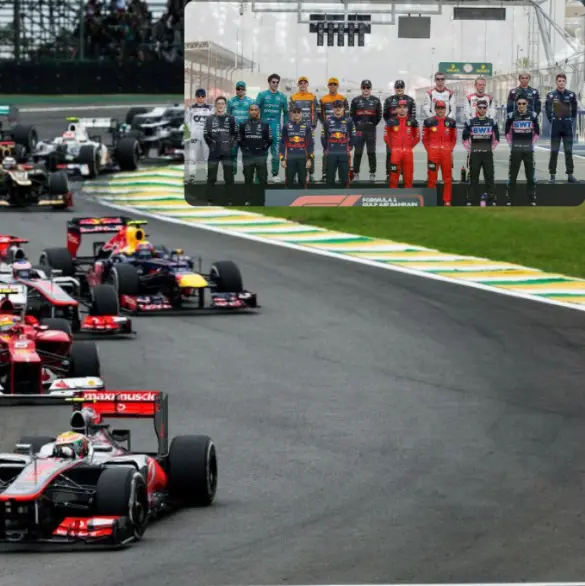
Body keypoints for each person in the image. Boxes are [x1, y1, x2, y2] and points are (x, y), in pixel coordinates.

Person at [462, 99, 500, 206]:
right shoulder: (470, 122)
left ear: (487, 109)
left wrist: (490, 148)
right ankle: (469, 200)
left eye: (484, 108)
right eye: (480, 108)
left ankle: (491, 199)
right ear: (476, 108)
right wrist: (470, 150)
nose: (482, 110)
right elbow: (464, 139)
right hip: (475, 154)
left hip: (487, 154)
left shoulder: (492, 122)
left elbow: (496, 139)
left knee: (489, 177)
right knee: (473, 178)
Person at [505, 96, 540, 206]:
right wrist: (511, 144)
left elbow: (537, 133)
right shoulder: (511, 116)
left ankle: (531, 198)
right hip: (516, 150)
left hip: (528, 150)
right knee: (512, 175)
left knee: (530, 175)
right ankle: (510, 198)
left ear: (527, 104)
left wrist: (531, 144)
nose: (521, 106)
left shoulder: (533, 116)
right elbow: (507, 133)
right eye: (519, 104)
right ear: (516, 104)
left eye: (523, 103)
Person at [423, 100, 458, 206]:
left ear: (445, 109)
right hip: (433, 154)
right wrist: (430, 150)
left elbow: (454, 138)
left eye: (442, 108)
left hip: (446, 154)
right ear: (435, 109)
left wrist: (449, 149)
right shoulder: (428, 121)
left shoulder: (451, 122)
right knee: (431, 177)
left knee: (447, 178)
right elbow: (425, 139)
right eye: (438, 108)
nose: (440, 110)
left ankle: (447, 201)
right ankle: (430, 201)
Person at [546, 72, 578, 183]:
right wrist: (554, 121)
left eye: (563, 81)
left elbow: (574, 111)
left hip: (567, 126)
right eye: (559, 81)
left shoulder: (571, 95)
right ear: (556, 82)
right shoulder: (551, 95)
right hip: (556, 126)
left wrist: (569, 120)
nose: (561, 83)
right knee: (554, 151)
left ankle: (570, 175)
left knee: (568, 150)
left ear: (566, 82)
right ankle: (552, 175)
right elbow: (548, 110)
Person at [204, 96, 238, 202]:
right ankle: (209, 199)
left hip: (227, 152)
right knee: (211, 177)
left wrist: (230, 145)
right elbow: (206, 134)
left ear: (225, 105)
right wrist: (212, 146)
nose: (220, 105)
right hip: (214, 152)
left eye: (222, 104)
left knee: (228, 177)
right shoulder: (209, 118)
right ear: (215, 105)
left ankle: (230, 198)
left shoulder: (231, 118)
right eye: (218, 103)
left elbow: (235, 134)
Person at [256, 74, 288, 183]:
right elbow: (255, 110)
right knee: (262, 153)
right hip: (263, 129)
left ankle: (275, 174)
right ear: (269, 82)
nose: (275, 84)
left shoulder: (282, 97)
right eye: (273, 82)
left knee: (276, 153)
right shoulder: (262, 95)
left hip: (276, 128)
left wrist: (286, 127)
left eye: (277, 82)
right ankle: (261, 175)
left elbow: (286, 113)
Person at [383, 80, 417, 181]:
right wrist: (392, 125)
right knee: (390, 153)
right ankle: (389, 173)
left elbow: (413, 117)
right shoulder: (388, 100)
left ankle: (403, 173)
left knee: (405, 152)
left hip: (406, 131)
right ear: (394, 88)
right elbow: (385, 115)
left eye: (401, 87)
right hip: (393, 131)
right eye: (397, 87)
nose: (399, 89)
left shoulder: (410, 100)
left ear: (404, 88)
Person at [318, 78, 349, 182]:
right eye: (330, 84)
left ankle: (343, 175)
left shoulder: (343, 98)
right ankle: (325, 173)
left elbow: (347, 114)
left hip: (341, 127)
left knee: (343, 151)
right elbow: (319, 114)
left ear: (337, 86)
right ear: (328, 86)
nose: (332, 86)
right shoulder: (323, 99)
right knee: (326, 150)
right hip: (328, 128)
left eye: (334, 84)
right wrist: (325, 124)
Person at [384, 99, 420, 188]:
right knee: (393, 177)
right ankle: (393, 196)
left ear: (407, 109)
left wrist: (409, 147)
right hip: (395, 152)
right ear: (396, 109)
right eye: (400, 107)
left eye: (404, 107)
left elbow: (417, 137)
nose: (402, 109)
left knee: (408, 177)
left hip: (408, 152)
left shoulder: (413, 121)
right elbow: (386, 137)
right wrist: (393, 148)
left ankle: (408, 198)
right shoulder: (391, 121)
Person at [350, 79, 382, 181]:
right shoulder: (355, 100)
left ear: (371, 89)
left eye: (368, 87)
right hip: (359, 130)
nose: (366, 89)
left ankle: (372, 173)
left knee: (371, 152)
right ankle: (356, 173)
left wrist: (372, 124)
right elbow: (352, 115)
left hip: (371, 130)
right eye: (364, 87)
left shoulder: (376, 100)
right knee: (358, 152)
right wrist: (357, 125)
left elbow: (379, 115)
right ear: (361, 88)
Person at [289, 77, 319, 182]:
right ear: (298, 85)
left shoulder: (313, 97)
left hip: (309, 128)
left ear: (307, 84)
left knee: (310, 150)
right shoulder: (293, 97)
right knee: (296, 149)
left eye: (304, 83)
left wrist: (313, 126)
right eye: (300, 83)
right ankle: (297, 174)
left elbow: (315, 113)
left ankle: (311, 174)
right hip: (296, 128)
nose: (302, 85)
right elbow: (290, 113)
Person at [321, 99, 356, 187]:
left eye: (340, 107)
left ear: (343, 108)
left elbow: (353, 136)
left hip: (344, 153)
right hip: (331, 153)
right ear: (333, 109)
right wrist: (327, 148)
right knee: (329, 179)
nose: (338, 109)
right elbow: (323, 137)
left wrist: (350, 147)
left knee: (345, 179)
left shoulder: (349, 121)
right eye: (336, 107)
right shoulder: (327, 121)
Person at [238, 103, 272, 192]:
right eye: (251, 110)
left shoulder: (265, 124)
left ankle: (263, 201)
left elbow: (270, 140)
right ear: (249, 111)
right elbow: (239, 139)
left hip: (260, 156)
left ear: (259, 111)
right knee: (248, 179)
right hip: (247, 156)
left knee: (263, 179)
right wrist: (245, 150)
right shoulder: (243, 124)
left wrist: (263, 149)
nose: (253, 112)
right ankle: (248, 200)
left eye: (255, 110)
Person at [280, 106, 314, 188]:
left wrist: (310, 159)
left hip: (303, 158)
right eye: (294, 112)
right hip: (290, 158)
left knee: (303, 181)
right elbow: (282, 143)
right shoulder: (286, 126)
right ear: (291, 113)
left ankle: (303, 200)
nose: (296, 114)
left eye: (298, 112)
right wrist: (282, 159)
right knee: (289, 182)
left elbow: (310, 144)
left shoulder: (307, 126)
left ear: (301, 113)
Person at [227, 81, 254, 176]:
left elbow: (253, 116)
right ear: (236, 90)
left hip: (246, 133)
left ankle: (246, 171)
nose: (240, 91)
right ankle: (233, 172)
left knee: (246, 154)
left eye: (242, 89)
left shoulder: (251, 101)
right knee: (233, 153)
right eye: (238, 89)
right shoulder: (230, 101)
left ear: (245, 90)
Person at [186, 88, 213, 182]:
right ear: (195, 97)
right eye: (198, 96)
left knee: (207, 155)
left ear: (205, 97)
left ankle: (208, 175)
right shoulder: (190, 108)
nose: (200, 98)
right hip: (195, 134)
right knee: (193, 155)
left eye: (202, 96)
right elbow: (187, 120)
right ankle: (192, 175)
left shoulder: (210, 108)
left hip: (206, 135)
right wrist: (191, 129)